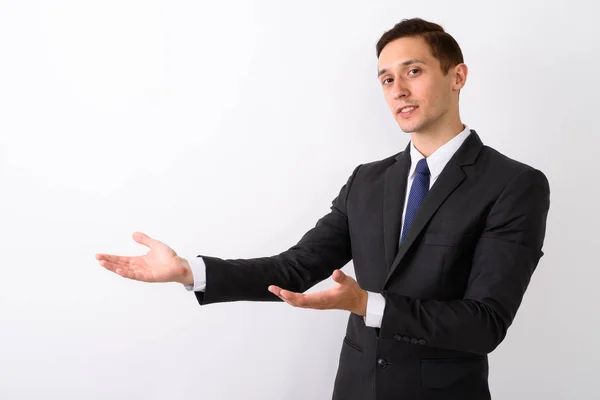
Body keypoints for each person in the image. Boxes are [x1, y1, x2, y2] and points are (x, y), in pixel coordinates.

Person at [96, 17, 550, 400]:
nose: (398, 90)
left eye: (414, 71)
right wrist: (189, 271)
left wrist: (366, 303)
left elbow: (485, 324)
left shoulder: (513, 185)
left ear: (457, 76)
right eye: (387, 79)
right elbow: (295, 267)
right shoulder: (367, 181)